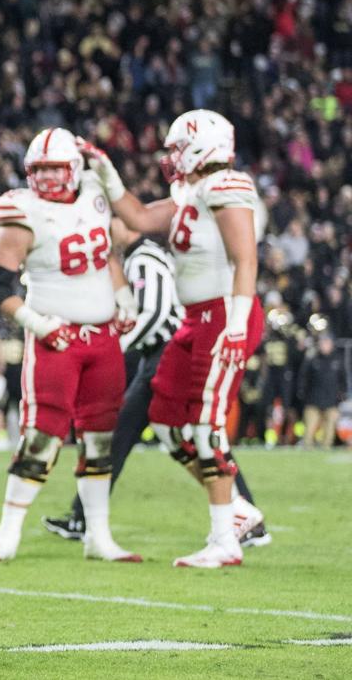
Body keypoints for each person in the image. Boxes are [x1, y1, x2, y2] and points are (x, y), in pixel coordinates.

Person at [83, 109, 267, 568]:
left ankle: (225, 538)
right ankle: (238, 510)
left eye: (177, 148)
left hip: (225, 312)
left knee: (206, 425)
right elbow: (140, 217)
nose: (171, 157)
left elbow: (245, 260)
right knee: (165, 419)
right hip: (195, 319)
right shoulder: (193, 191)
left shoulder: (227, 186)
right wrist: (105, 170)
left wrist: (238, 322)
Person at [42, 222, 270, 547]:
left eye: (112, 224)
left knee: (170, 431)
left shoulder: (144, 257)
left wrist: (114, 348)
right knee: (177, 433)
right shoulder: (139, 258)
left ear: (126, 226)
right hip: (161, 352)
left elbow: (155, 312)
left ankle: (243, 513)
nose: (106, 231)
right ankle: (244, 513)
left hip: (167, 353)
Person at [0, 127, 141, 563]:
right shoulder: (21, 210)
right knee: (42, 436)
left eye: (56, 168)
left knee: (101, 438)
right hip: (58, 336)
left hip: (104, 337)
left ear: (75, 168)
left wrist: (122, 296)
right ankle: (6, 533)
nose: (48, 178)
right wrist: (36, 322)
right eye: (40, 169)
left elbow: (105, 255)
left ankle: (98, 536)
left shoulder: (94, 192)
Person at [298, 334, 343, 449]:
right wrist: (303, 393)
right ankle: (307, 447)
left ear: (331, 344)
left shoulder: (338, 360)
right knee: (310, 427)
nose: (324, 345)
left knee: (329, 428)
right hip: (313, 399)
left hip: (332, 400)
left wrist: (342, 396)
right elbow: (304, 378)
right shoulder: (313, 359)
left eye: (326, 342)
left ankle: (326, 448)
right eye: (322, 343)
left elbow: (343, 380)